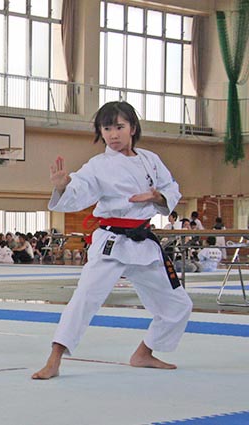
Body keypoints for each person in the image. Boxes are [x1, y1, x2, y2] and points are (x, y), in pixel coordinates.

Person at [32, 101, 193, 380]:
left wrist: (157, 197)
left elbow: (170, 188)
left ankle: (145, 352)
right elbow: (80, 188)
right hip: (112, 242)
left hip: (143, 242)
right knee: (85, 298)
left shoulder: (150, 159)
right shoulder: (99, 166)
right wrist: (63, 186)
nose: (113, 134)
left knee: (179, 305)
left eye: (119, 127)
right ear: (100, 132)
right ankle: (55, 358)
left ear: (132, 128)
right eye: (107, 128)